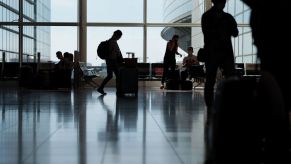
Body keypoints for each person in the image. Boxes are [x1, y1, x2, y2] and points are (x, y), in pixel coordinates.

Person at [201, 0, 238, 110]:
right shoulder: (227, 17)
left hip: (216, 52)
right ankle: (223, 105)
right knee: (219, 79)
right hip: (220, 52)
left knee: (211, 80)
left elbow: (235, 32)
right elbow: (234, 33)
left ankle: (212, 106)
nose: (224, 3)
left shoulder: (207, 16)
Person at [97, 30, 124, 95]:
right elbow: (117, 53)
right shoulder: (113, 42)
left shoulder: (109, 41)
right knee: (118, 76)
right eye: (119, 37)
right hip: (112, 61)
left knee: (110, 76)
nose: (119, 38)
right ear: (117, 35)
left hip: (108, 61)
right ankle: (119, 91)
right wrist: (121, 59)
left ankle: (100, 88)